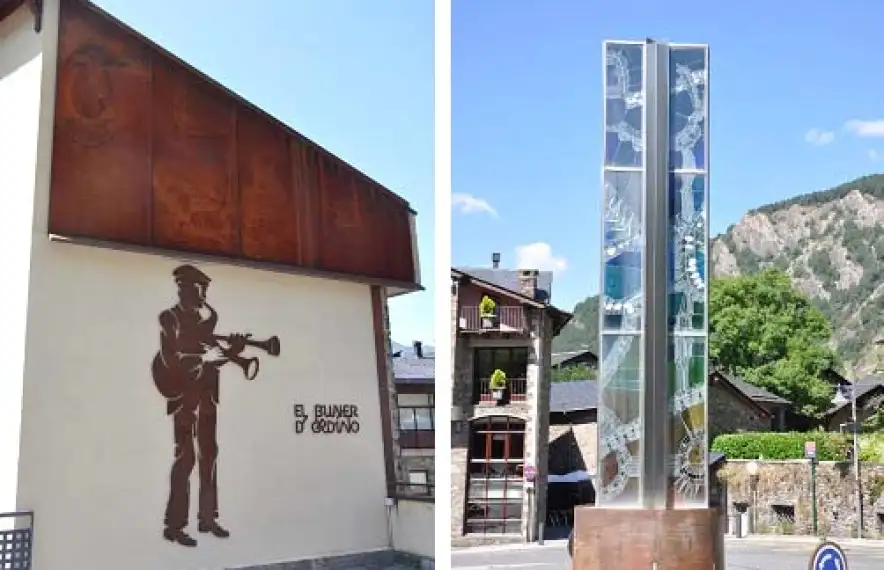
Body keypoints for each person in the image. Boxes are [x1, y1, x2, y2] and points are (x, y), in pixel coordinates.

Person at [151, 264, 250, 547]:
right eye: (199, 288)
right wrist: (203, 361)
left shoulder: (206, 322)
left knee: (210, 454)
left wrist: (234, 351)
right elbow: (171, 358)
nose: (204, 293)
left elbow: (212, 352)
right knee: (186, 458)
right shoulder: (169, 318)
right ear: (184, 288)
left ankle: (207, 518)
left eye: (205, 288)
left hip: (206, 395)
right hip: (184, 396)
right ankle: (175, 525)